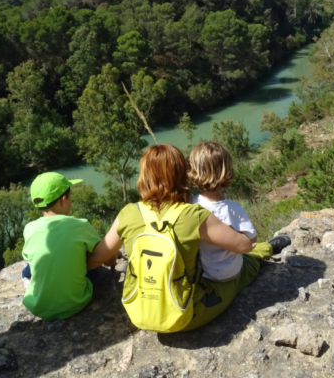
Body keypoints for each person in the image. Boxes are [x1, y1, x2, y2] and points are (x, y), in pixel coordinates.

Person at [87, 144, 291, 331]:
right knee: (247, 263)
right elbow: (243, 245)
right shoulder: (193, 214)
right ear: (182, 174)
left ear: (144, 176)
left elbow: (97, 258)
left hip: (139, 311)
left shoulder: (128, 213)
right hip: (186, 313)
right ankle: (268, 249)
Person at [21, 172, 102, 321]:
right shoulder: (80, 225)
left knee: (30, 267)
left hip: (38, 307)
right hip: (76, 303)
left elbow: (28, 256)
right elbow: (102, 253)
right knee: (89, 259)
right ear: (64, 199)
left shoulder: (29, 228)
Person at [188, 141, 272, 283]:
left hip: (204, 275)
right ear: (226, 170)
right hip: (231, 273)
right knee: (254, 256)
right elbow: (251, 240)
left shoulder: (190, 205)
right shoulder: (233, 208)